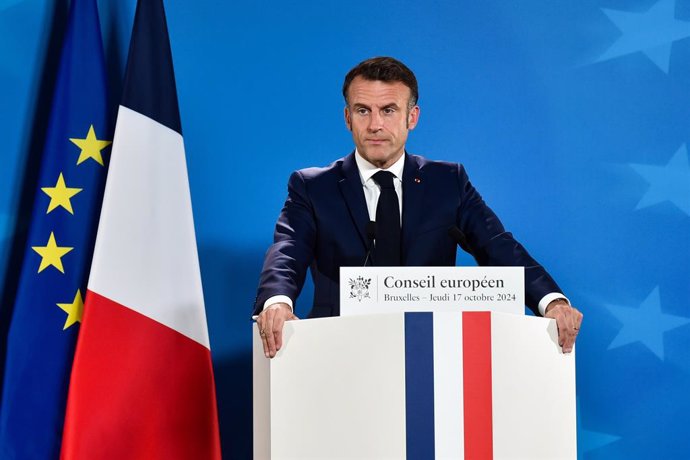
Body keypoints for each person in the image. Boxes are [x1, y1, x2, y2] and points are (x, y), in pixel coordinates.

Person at [254, 57, 583, 358]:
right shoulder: (313, 186)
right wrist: (278, 302)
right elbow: (288, 249)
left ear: (412, 116)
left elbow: (497, 246)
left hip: (432, 354)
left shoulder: (447, 182)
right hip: (337, 351)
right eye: (363, 110)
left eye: (389, 110)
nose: (375, 125)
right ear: (347, 118)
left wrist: (551, 300)